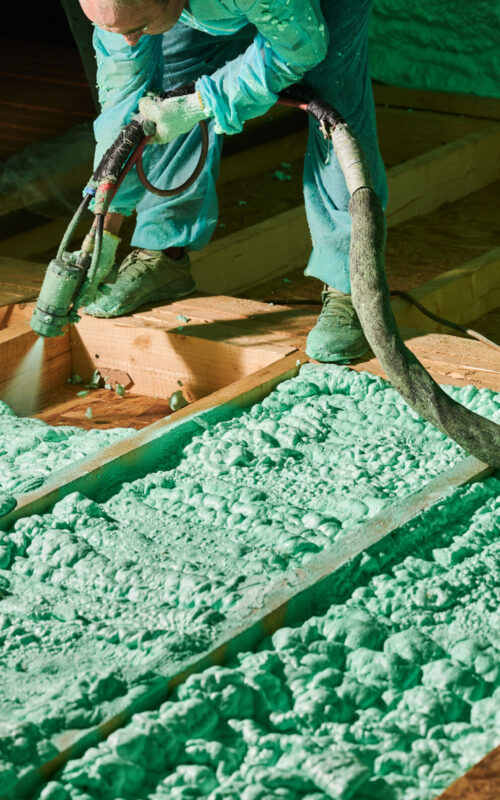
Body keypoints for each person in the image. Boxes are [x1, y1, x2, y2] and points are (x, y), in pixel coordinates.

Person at [79, 0, 387, 363]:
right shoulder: (124, 12)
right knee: (171, 82)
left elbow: (299, 48)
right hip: (201, 6)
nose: (130, 40)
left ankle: (351, 286)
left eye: (138, 26)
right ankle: (164, 253)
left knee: (333, 99)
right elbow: (123, 101)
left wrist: (201, 104)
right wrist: (104, 231)